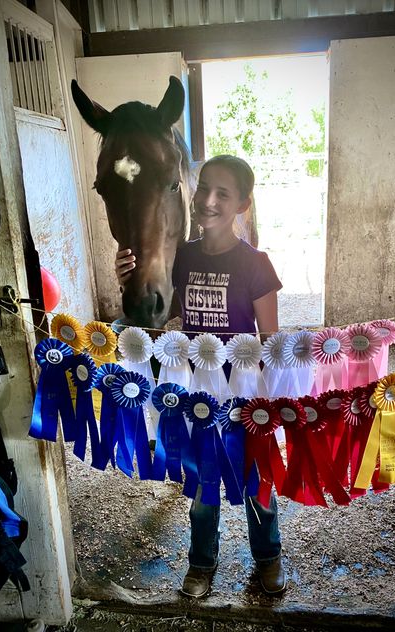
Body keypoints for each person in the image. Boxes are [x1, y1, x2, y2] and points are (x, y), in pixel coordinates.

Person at [115, 155, 286, 598]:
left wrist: (266, 408)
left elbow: (271, 341)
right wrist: (130, 283)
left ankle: (268, 557)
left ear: (242, 205)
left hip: (245, 393)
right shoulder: (181, 258)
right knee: (202, 479)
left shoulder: (256, 265)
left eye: (222, 193)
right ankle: (201, 563)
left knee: (255, 480)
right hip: (196, 393)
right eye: (203, 187)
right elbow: (155, 317)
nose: (207, 200)